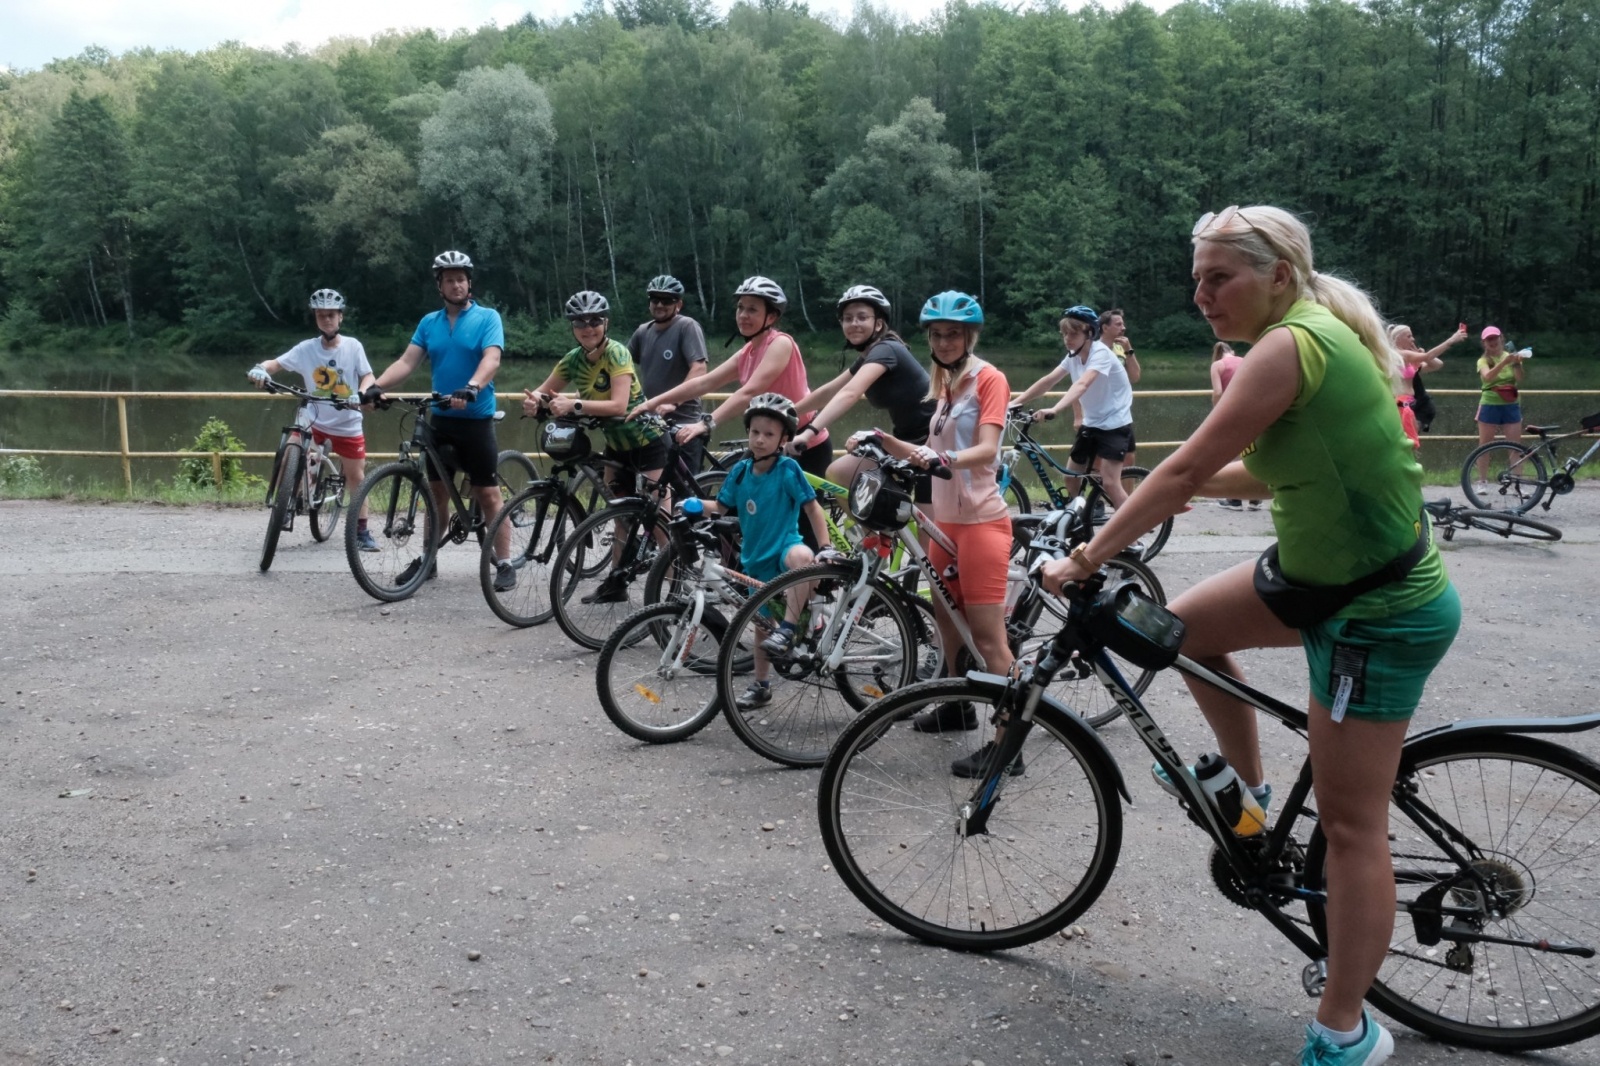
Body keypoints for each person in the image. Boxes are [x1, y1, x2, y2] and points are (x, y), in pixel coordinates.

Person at [1042, 204, 1459, 1066]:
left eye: (1218, 276)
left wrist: (1087, 556)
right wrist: (1181, 489)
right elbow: (1272, 466)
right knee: (1178, 628)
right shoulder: (1302, 335)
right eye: (1195, 277)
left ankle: (1344, 1032)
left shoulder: (1291, 345)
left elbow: (1188, 464)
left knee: (1351, 828)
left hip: (1375, 610)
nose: (1201, 294)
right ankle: (1251, 798)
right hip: (1316, 581)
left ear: (1278, 274)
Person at [850, 291, 1015, 776]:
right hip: (945, 524)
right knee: (947, 621)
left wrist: (945, 461)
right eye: (937, 334)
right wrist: (882, 440)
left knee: (989, 639)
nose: (944, 341)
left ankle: (1009, 746)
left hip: (982, 522)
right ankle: (957, 706)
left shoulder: (989, 379)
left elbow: (987, 449)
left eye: (953, 334)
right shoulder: (946, 386)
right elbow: (927, 447)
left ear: (970, 336)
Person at [362, 251, 513, 590]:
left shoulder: (488, 317)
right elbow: (407, 362)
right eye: (449, 280)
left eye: (461, 278)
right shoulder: (429, 323)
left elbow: (492, 358)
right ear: (440, 286)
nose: (456, 284)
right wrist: (375, 387)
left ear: (469, 282)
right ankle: (429, 560)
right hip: (441, 418)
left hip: (475, 418)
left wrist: (472, 386)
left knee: (487, 493)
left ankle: (504, 562)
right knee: (436, 494)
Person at [524, 290, 670, 604]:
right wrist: (535, 400)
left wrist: (574, 404)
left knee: (659, 521)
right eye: (580, 322)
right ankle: (615, 585)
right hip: (617, 445)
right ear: (572, 327)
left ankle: (676, 589)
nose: (587, 327)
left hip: (648, 440)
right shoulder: (573, 360)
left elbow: (618, 403)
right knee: (617, 514)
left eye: (594, 321)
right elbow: (546, 391)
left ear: (605, 323)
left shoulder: (616, 353)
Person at [697, 393, 831, 710]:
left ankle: (791, 628)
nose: (760, 440)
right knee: (760, 627)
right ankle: (761, 685)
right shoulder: (741, 472)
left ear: (784, 438)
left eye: (769, 434)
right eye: (755, 432)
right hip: (755, 560)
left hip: (784, 548)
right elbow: (719, 506)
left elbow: (813, 509)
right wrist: (690, 504)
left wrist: (824, 547)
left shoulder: (787, 470)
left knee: (801, 557)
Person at [632, 276, 832, 478]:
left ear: (771, 317)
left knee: (795, 509)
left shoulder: (780, 344)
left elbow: (749, 392)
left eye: (752, 309)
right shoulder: (748, 352)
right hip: (767, 442)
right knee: (737, 499)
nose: (743, 315)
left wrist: (705, 423)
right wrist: (653, 403)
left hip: (803, 444)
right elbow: (705, 382)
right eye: (740, 308)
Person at [248, 288, 378, 550]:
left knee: (356, 476)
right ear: (316, 318)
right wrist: (260, 369)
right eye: (321, 316)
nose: (326, 320)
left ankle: (361, 531)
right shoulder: (306, 349)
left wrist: (361, 394)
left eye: (331, 315)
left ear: (340, 317)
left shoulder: (353, 346)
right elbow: (275, 364)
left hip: (347, 423)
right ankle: (286, 504)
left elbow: (368, 376)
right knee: (291, 451)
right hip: (314, 420)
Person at [789, 284, 935, 492]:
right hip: (903, 441)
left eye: (862, 317)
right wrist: (787, 412)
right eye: (848, 318)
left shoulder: (887, 350)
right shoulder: (868, 357)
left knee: (922, 520)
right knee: (841, 475)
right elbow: (829, 392)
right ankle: (872, 526)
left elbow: (850, 393)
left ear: (878, 324)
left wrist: (808, 433)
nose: (854, 323)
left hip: (930, 443)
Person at [1011, 305, 1136, 511]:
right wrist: (1015, 403)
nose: (1067, 339)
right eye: (1064, 334)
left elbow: (1082, 384)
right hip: (1092, 423)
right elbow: (1048, 381)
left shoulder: (1101, 354)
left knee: (1111, 482)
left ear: (1089, 333)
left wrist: (1055, 409)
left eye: (1073, 333)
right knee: (1070, 476)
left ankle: (1134, 533)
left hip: (1115, 424)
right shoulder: (1073, 356)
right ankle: (1084, 515)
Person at [627, 275, 709, 472]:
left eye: (667, 300)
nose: (660, 304)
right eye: (655, 299)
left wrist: (673, 402)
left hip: (683, 421)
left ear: (678, 304)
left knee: (686, 491)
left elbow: (699, 368)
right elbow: (622, 369)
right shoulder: (642, 332)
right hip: (651, 423)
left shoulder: (686, 326)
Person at [1387, 323, 1466, 453]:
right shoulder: (1400, 355)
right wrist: (1451, 340)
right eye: (1409, 336)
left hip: (1408, 403)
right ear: (1398, 338)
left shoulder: (1406, 359)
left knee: (1407, 445)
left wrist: (1417, 354)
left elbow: (1437, 364)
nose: (1412, 339)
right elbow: (1428, 356)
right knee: (1407, 446)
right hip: (1401, 404)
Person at [1472, 325, 1527, 487]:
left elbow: (1520, 378)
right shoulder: (1482, 360)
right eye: (1489, 340)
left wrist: (1516, 363)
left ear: (1501, 338)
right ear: (1484, 343)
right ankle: (1482, 481)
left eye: (1495, 338)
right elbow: (1487, 377)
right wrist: (1504, 362)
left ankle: (1517, 482)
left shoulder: (1511, 356)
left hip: (1511, 404)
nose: (1492, 342)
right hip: (1490, 404)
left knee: (1515, 445)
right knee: (1485, 445)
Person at [1207, 341, 1259, 511]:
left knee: (1232, 452)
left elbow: (1218, 393)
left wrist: (1216, 413)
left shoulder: (1217, 365)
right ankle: (1254, 497)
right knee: (1252, 451)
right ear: (1232, 351)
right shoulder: (1245, 360)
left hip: (1232, 412)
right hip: (1253, 410)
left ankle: (1234, 499)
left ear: (1217, 354)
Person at [1100, 308, 1141, 467]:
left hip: (1122, 413)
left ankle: (1129, 493)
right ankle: (1100, 491)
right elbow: (1079, 382)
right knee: (1097, 461)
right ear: (1105, 328)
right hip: (1100, 413)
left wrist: (1129, 350)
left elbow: (1135, 377)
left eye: (1123, 324)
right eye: (1118, 324)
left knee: (1129, 458)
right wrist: (1078, 415)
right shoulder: (1094, 349)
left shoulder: (1120, 348)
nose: (1123, 327)